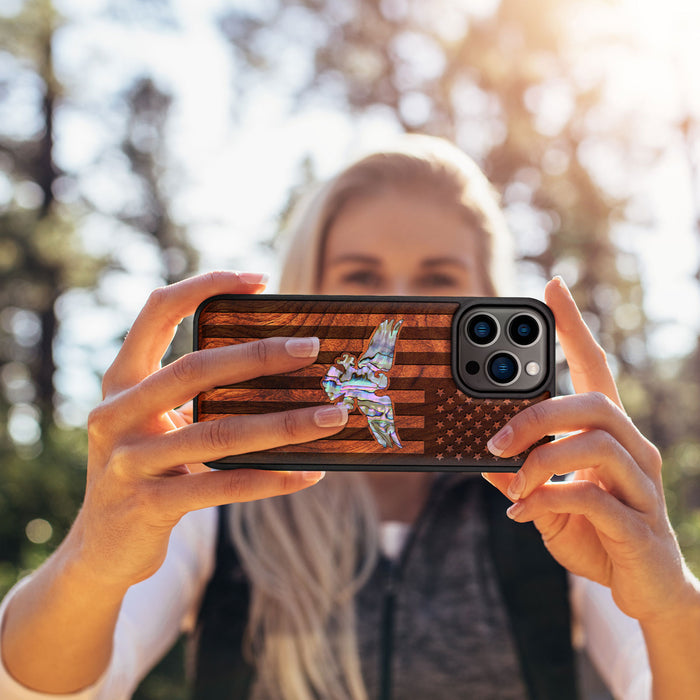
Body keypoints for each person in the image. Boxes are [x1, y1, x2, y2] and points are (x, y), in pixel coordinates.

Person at [1, 135, 699, 700]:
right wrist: (95, 556)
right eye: (361, 278)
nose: (397, 307)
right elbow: (48, 690)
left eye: (437, 281)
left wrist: (670, 604)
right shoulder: (217, 496)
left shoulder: (553, 503)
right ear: (308, 293)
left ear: (487, 299)